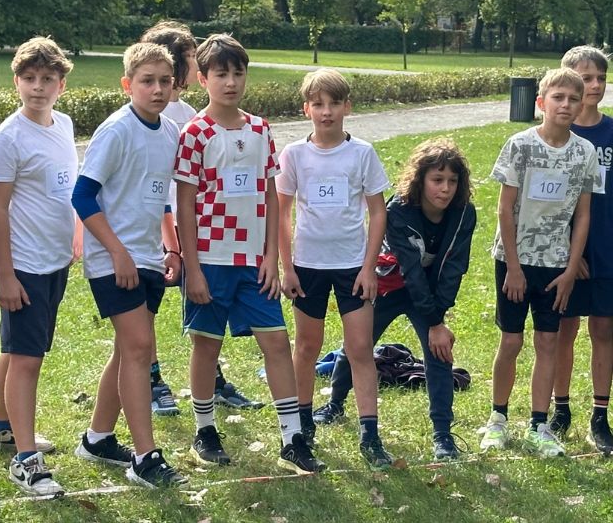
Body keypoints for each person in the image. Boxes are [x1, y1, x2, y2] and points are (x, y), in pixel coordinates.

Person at [174, 34, 324, 473]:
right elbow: (184, 205)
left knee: (276, 342)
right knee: (207, 345)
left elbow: (271, 196)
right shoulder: (194, 133)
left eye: (238, 73)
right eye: (220, 74)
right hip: (210, 259)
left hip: (253, 263)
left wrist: (271, 257)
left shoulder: (260, 129)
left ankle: (292, 439)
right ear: (202, 79)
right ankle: (204, 431)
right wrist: (192, 268)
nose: (230, 82)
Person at [312, 138, 476, 459]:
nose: (445, 189)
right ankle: (335, 404)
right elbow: (410, 271)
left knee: (439, 352)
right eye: (437, 179)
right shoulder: (398, 210)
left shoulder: (463, 213)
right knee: (357, 345)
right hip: (390, 283)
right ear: (420, 180)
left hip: (429, 293)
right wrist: (434, 321)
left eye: (452, 181)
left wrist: (436, 322)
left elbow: (454, 268)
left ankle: (443, 435)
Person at [71, 42, 187, 488]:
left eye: (165, 81)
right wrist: (117, 252)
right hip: (114, 259)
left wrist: (172, 248)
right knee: (140, 347)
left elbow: (161, 197)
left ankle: (97, 439)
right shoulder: (116, 130)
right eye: (147, 81)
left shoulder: (170, 132)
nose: (157, 89)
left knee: (127, 350)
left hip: (150, 257)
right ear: (127, 85)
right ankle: (145, 457)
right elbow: (83, 196)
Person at [140, 21, 263, 416]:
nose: (198, 66)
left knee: (205, 315)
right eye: (193, 58)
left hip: (199, 228)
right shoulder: (152, 109)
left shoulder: (191, 112)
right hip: (160, 226)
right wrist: (171, 241)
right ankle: (153, 380)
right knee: (148, 311)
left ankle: (215, 382)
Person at [278, 68, 395, 468]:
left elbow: (378, 212)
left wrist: (369, 267)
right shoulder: (294, 154)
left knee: (360, 348)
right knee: (306, 346)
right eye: (318, 104)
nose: (326, 112)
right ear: (306, 109)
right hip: (307, 266)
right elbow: (282, 214)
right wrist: (288, 267)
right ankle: (302, 425)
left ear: (347, 107)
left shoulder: (362, 153)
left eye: (333, 104)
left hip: (352, 266)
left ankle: (370, 434)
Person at [480, 67, 601, 457]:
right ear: (541, 103)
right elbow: (505, 209)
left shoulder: (585, 152)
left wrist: (571, 268)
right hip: (515, 261)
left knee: (548, 340)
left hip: (556, 265)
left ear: (581, 104)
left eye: (573, 99)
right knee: (511, 340)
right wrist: (514, 267)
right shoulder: (520, 145)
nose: (565, 105)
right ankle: (497, 419)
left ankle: (538, 424)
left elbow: (583, 214)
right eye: (557, 98)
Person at [0, 37, 78, 495]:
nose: (38, 87)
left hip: (55, 260)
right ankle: (25, 460)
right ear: (16, 81)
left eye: (47, 79)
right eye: (29, 78)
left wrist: (74, 235)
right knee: (26, 360)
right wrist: (6, 276)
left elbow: (64, 190)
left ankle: (0, 425)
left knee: (17, 348)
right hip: (25, 266)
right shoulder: (7, 139)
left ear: (61, 84)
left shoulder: (64, 125)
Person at [550, 47, 613, 453]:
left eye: (600, 78)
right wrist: (571, 255)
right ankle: (560, 410)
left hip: (607, 249)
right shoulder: (557, 135)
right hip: (565, 254)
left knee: (604, 330)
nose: (594, 85)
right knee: (564, 330)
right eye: (585, 77)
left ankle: (599, 417)